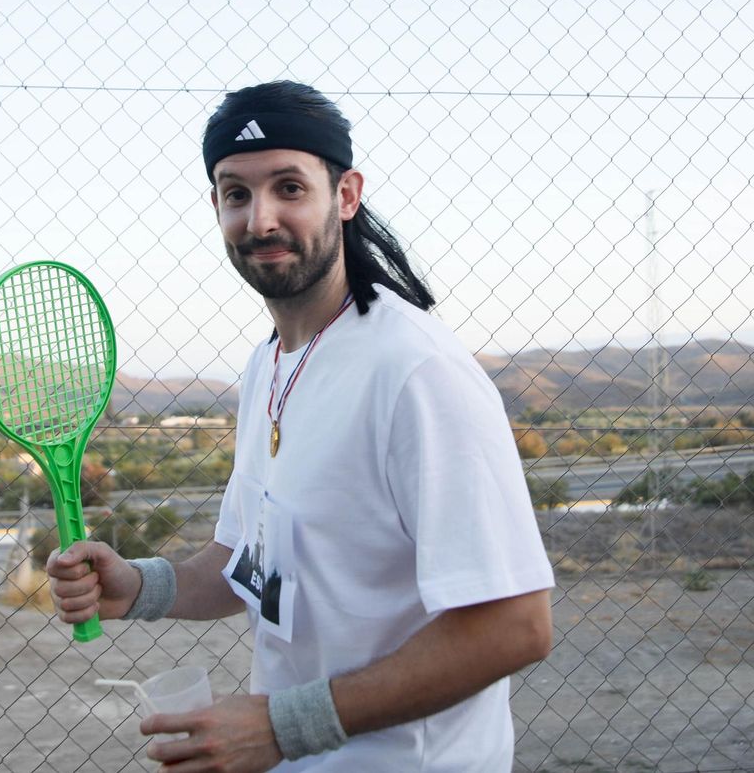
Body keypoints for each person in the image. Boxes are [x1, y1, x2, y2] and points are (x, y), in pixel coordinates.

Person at [48, 81, 554, 772]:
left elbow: (515, 627)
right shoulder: (269, 365)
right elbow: (249, 563)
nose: (260, 220)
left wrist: (285, 726)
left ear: (345, 196)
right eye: (236, 193)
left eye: (290, 187)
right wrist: (138, 586)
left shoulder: (415, 371)